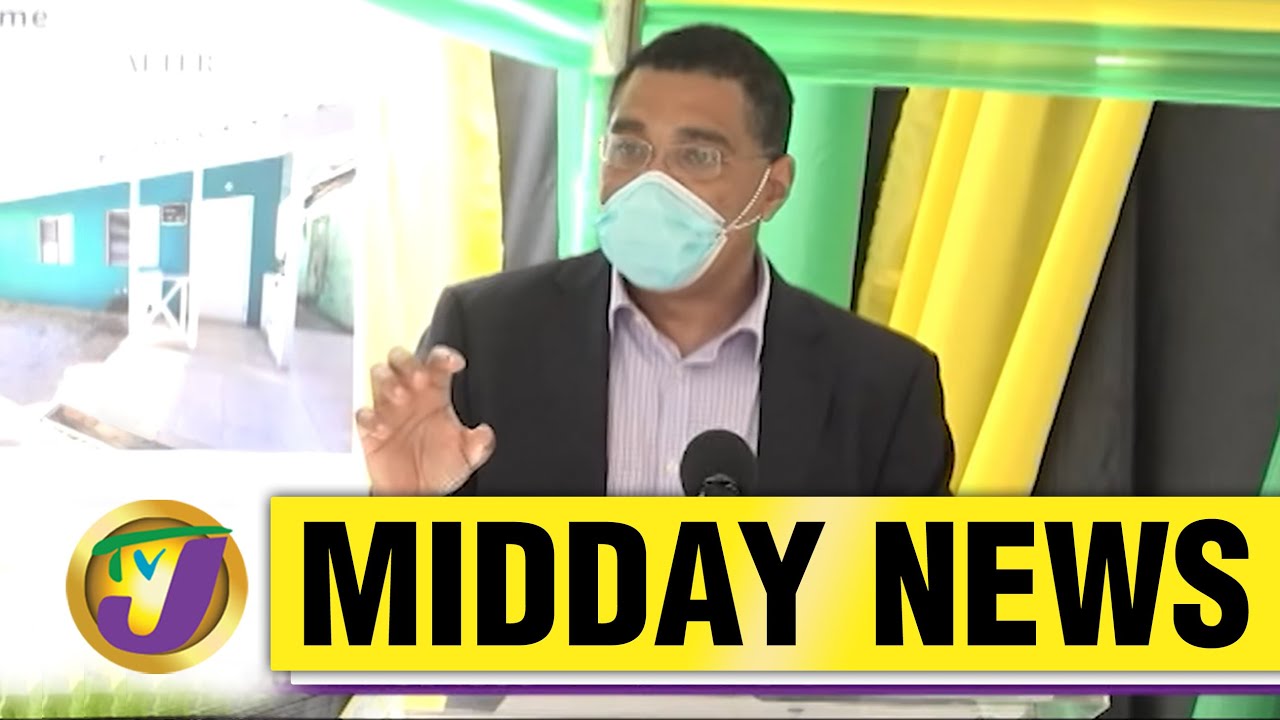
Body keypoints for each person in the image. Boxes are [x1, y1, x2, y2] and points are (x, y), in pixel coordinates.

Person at [357, 24, 954, 497]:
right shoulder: (486, 336)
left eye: (697, 156)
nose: (651, 181)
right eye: (628, 148)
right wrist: (404, 505)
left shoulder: (882, 388)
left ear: (773, 188)